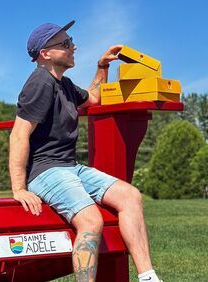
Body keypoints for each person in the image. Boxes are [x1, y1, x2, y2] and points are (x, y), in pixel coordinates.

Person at [9, 20, 162, 282]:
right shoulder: (40, 83)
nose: (73, 46)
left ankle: (148, 277)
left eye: (71, 41)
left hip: (70, 167)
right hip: (46, 171)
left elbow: (93, 98)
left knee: (130, 196)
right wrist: (19, 188)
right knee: (91, 221)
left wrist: (102, 66)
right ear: (45, 54)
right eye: (66, 43)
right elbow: (19, 134)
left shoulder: (64, 84)